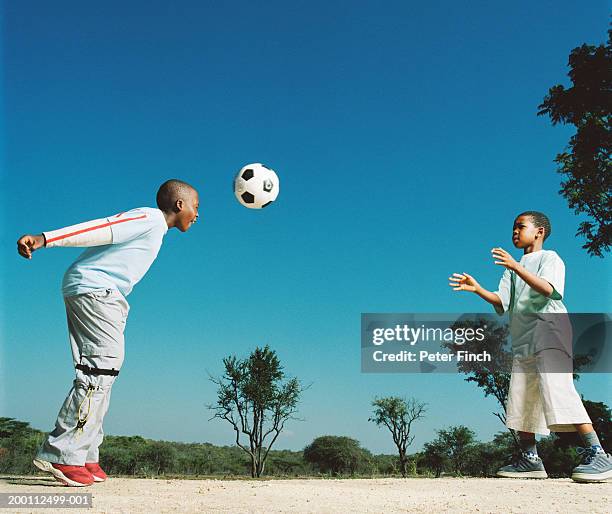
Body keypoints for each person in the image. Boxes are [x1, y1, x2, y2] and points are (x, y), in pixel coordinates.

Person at [16, 179, 199, 487]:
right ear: (179, 205)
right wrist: (44, 239)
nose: (197, 214)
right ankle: (62, 454)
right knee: (99, 370)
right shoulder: (149, 218)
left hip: (104, 293)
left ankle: (85, 452)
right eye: (196, 206)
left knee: (106, 372)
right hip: (94, 289)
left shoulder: (156, 230)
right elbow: (101, 227)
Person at [449, 211, 611, 482]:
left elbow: (550, 290)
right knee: (522, 394)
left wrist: (516, 267)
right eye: (512, 227)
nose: (514, 231)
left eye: (520, 226)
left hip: (550, 330)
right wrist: (478, 289)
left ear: (539, 232)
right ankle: (530, 459)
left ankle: (599, 453)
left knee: (557, 387)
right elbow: (502, 303)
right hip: (523, 337)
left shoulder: (550, 258)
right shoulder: (512, 268)